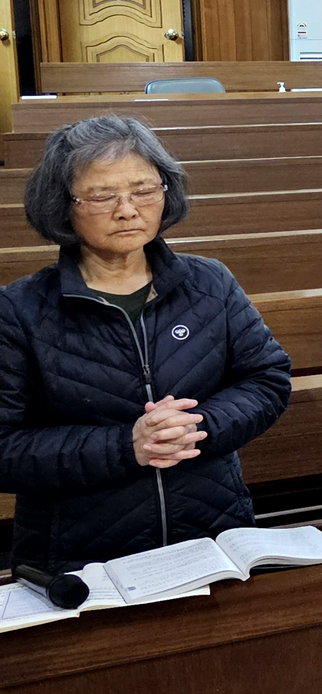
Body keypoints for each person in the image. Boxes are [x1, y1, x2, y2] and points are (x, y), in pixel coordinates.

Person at [0, 115, 291, 573]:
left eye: (143, 190)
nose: (127, 209)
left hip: (212, 534)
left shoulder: (210, 282)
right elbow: (5, 448)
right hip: (79, 559)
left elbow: (267, 379)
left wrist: (197, 426)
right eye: (102, 195)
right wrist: (127, 446)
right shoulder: (18, 310)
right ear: (62, 205)